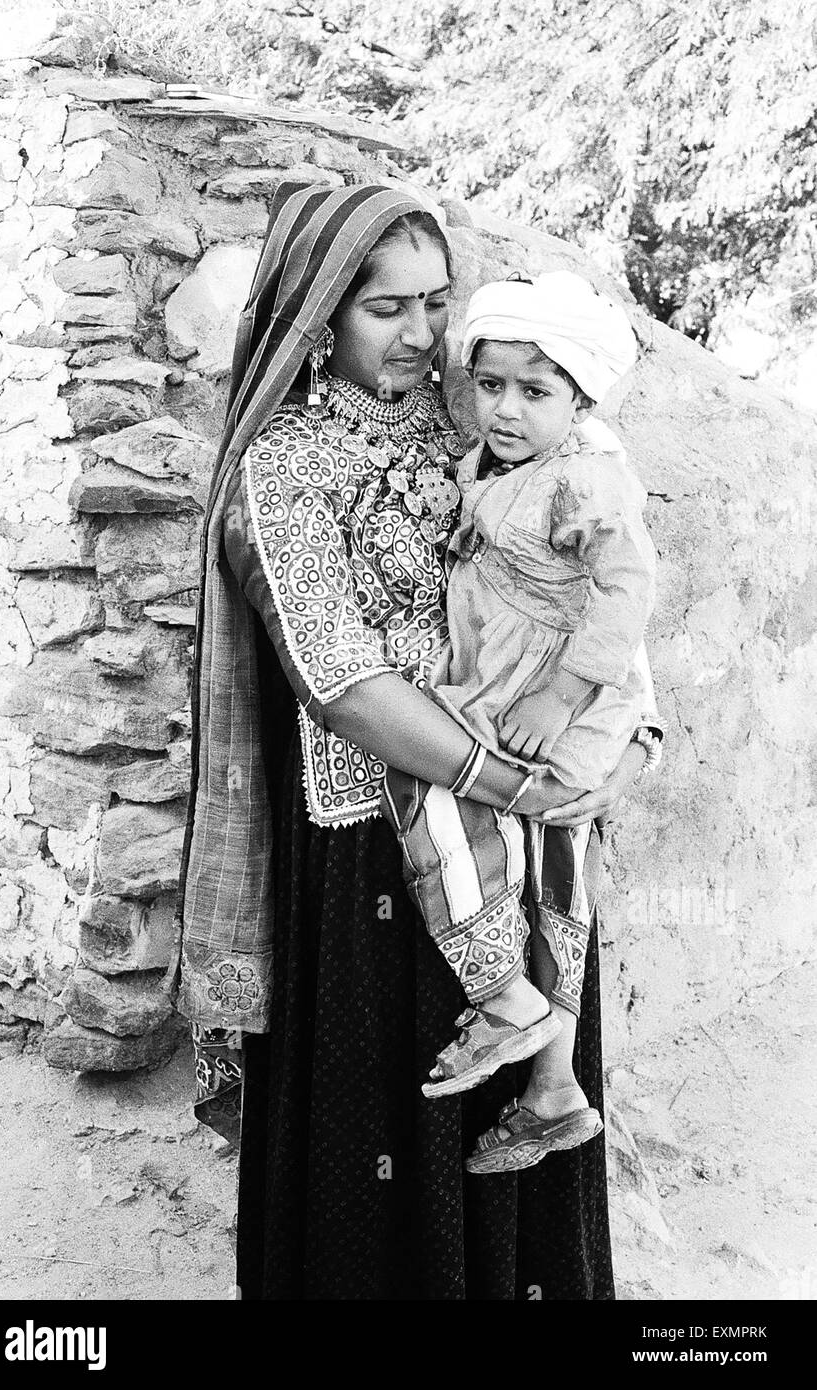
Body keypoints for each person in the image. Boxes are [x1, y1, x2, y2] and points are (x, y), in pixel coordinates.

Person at [165, 181, 664, 1300]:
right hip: (364, 846)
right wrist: (502, 776)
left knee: (521, 1122)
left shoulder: (484, 424)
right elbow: (341, 680)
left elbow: (590, 578)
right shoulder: (280, 465)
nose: (425, 334)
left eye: (437, 302)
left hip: (523, 819)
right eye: (386, 307)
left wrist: (626, 738)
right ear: (316, 311)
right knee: (383, 1143)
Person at [380, 272, 661, 1174]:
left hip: (551, 706)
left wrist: (563, 696)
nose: (504, 408)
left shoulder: (587, 478)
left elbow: (627, 595)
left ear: (579, 401)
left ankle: (504, 995)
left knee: (430, 791)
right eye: (490, 384)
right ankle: (554, 1087)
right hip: (506, 685)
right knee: (556, 880)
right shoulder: (496, 465)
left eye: (535, 392)